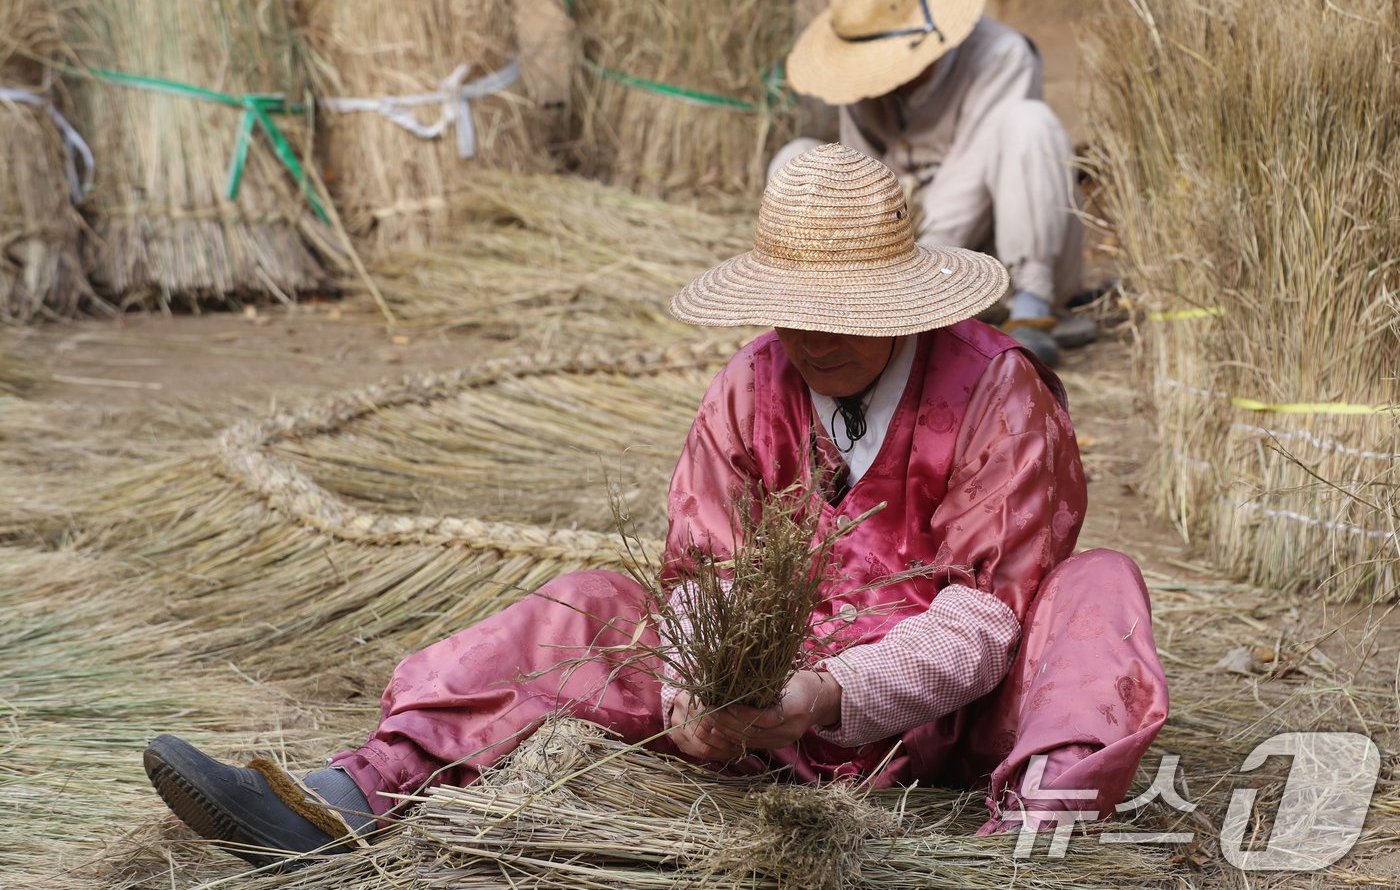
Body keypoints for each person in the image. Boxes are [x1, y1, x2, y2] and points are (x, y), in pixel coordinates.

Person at [143, 144, 1166, 868]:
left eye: (844, 314)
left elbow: (980, 621)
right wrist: (695, 682)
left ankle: (1025, 849)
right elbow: (705, 569)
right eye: (794, 311)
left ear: (903, 302)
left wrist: (824, 694)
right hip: (762, 707)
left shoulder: (993, 392)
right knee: (591, 603)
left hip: (942, 715)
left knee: (1096, 591)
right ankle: (345, 796)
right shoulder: (753, 383)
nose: (811, 336)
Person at [773, 0, 1088, 365]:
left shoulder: (1001, 56)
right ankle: (824, 316)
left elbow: (968, 182)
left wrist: (913, 277)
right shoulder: (862, 88)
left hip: (1001, 262)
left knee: (1029, 123)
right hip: (901, 270)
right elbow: (860, 175)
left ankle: (1031, 315)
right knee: (794, 159)